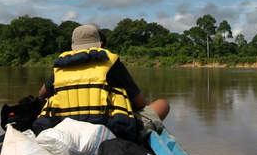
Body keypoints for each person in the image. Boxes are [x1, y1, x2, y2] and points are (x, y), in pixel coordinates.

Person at [36, 24, 170, 142]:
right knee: (162, 104)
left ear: (73, 46)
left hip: (64, 132)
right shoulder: (111, 62)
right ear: (99, 43)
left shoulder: (61, 65)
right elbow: (140, 103)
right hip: (110, 132)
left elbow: (42, 94)